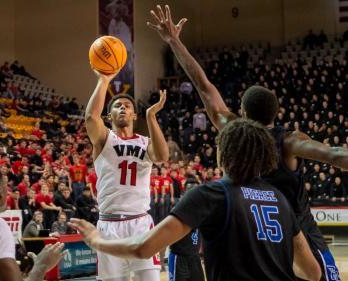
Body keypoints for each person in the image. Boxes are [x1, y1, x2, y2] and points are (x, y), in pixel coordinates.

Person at [147, 5, 347, 280]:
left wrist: (174, 41)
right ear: (276, 114)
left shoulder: (233, 128)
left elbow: (204, 86)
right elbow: (336, 156)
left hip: (252, 229)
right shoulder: (289, 141)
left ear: (241, 112)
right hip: (295, 228)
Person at [70, 119, 321, 281]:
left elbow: (142, 248)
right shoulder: (279, 200)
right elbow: (311, 272)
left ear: (224, 153)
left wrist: (96, 240)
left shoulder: (212, 194)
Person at [85, 66, 169, 280]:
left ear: (134, 114)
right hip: (108, 225)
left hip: (139, 222)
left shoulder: (145, 142)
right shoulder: (104, 139)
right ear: (109, 114)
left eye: (127, 105)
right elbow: (91, 118)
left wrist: (151, 116)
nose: (122, 108)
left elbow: (162, 156)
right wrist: (103, 81)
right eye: (117, 105)